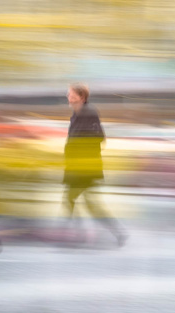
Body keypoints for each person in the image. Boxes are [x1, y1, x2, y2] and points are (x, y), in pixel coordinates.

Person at [63, 83, 127, 247]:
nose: (68, 96)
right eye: (68, 93)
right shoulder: (77, 113)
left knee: (74, 200)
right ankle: (114, 232)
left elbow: (99, 137)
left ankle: (77, 234)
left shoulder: (88, 113)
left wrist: (80, 152)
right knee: (85, 202)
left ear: (81, 97)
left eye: (71, 94)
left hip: (84, 168)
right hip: (78, 167)